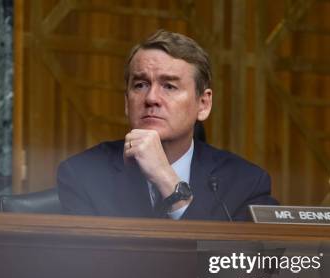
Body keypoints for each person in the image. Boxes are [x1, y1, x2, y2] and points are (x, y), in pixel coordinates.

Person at [57, 30, 277, 221]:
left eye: (169, 86)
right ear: (127, 102)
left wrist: (167, 181)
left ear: (203, 104)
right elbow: (87, 267)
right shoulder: (83, 175)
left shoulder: (245, 183)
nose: (151, 98)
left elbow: (238, 267)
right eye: (140, 85)